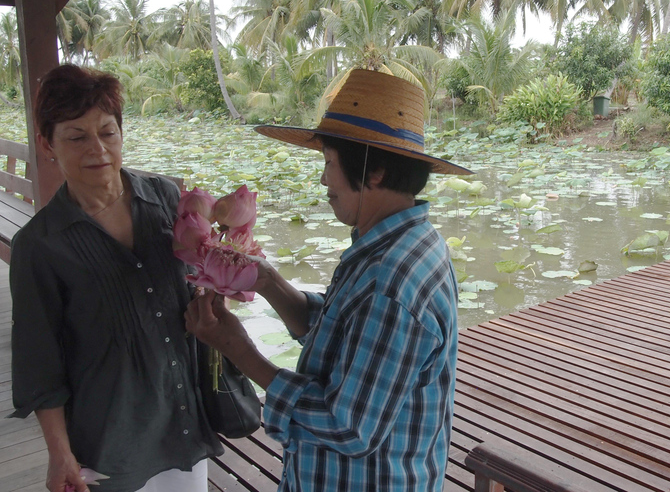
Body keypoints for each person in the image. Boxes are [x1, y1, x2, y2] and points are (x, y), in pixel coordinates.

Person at [185, 69, 473, 491]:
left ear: (373, 173)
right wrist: (267, 281)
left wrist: (237, 349)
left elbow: (348, 428)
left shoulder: (392, 279)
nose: (324, 179)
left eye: (329, 163)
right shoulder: (396, 243)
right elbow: (345, 335)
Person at [9, 64, 223, 492]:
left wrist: (224, 275)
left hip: (182, 420)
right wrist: (59, 453)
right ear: (46, 144)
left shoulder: (164, 198)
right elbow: (39, 364)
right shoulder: (39, 245)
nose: (98, 149)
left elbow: (201, 282)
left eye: (108, 133)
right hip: (111, 443)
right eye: (76, 136)